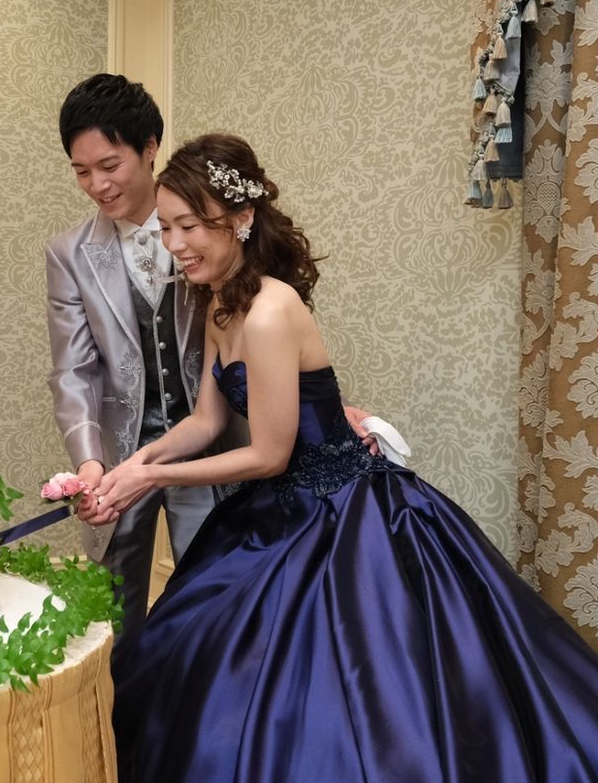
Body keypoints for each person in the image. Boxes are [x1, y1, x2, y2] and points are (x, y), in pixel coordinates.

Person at [99, 133, 598, 783]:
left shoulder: (273, 307)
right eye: (167, 228)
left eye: (190, 226)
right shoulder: (217, 304)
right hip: (279, 512)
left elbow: (269, 452)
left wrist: (152, 482)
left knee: (360, 710)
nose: (176, 244)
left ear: (240, 218)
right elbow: (209, 422)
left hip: (344, 514)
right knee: (173, 656)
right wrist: (133, 464)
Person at [46, 74, 376, 634]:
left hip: (268, 476)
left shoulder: (251, 292)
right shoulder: (215, 296)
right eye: (81, 171)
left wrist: (322, 413)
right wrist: (116, 465)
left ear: (149, 148)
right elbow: (75, 371)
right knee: (121, 618)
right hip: (143, 445)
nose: (97, 184)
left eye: (109, 165)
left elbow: (268, 425)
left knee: (220, 615)